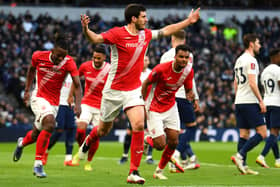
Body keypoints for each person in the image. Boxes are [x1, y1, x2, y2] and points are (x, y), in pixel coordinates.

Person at [77, 4, 200, 184]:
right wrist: (86, 29)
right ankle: (90, 138)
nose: (146, 19)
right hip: (113, 91)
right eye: (143, 16)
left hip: (133, 90)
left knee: (138, 125)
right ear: (134, 18)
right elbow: (96, 39)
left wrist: (188, 21)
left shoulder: (146, 34)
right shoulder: (117, 34)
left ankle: (133, 171)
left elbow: (167, 30)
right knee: (103, 130)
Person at [12, 33, 82, 178]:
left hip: (54, 103)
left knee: (36, 134)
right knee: (50, 124)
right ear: (53, 50)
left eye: (63, 56)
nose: (60, 59)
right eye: (58, 56)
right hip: (38, 97)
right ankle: (38, 164)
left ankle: (21, 143)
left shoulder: (69, 62)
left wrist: (78, 104)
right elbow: (31, 70)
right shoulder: (38, 56)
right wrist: (26, 90)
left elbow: (77, 84)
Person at [142, 44, 194, 180]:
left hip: (171, 106)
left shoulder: (188, 71)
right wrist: (143, 102)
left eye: (186, 57)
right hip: (154, 106)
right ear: (175, 57)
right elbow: (145, 83)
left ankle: (159, 171)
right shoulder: (161, 69)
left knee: (174, 142)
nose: (184, 60)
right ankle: (148, 139)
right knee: (160, 145)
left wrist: (191, 96)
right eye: (181, 57)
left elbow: (188, 89)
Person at [160, 30, 200, 172]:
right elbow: (190, 77)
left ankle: (182, 159)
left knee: (173, 131)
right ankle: (176, 154)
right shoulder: (189, 56)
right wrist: (195, 97)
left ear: (172, 38)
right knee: (191, 126)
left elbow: (160, 77)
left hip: (167, 97)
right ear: (184, 39)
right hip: (182, 95)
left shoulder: (165, 56)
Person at [231, 33, 267, 175]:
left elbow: (235, 82)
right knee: (262, 133)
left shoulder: (239, 60)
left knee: (244, 134)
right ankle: (240, 155)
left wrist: (237, 98)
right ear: (251, 44)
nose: (260, 45)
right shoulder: (251, 60)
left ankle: (243, 166)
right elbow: (252, 82)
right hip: (250, 101)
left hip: (240, 100)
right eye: (258, 43)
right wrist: (260, 100)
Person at [72, 45, 110, 171]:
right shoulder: (85, 66)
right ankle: (82, 149)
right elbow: (76, 80)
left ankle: (88, 162)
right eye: (94, 57)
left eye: (99, 58)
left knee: (96, 135)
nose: (96, 60)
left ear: (104, 57)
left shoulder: (110, 69)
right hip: (87, 103)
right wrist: (71, 96)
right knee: (80, 131)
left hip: (102, 107)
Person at [119, 55, 154, 165]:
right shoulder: (135, 72)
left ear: (149, 62)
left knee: (150, 132)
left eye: (147, 60)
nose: (145, 62)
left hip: (149, 106)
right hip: (135, 104)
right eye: (143, 60)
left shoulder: (152, 73)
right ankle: (125, 155)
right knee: (130, 131)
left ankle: (149, 156)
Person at [42, 74, 77, 167]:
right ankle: (44, 151)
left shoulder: (74, 75)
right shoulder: (58, 72)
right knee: (59, 129)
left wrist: (77, 104)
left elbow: (77, 89)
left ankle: (68, 159)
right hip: (59, 103)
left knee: (71, 129)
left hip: (70, 105)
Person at [256, 48, 280, 168]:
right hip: (277, 103)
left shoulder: (264, 71)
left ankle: (278, 159)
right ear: (275, 57)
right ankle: (262, 156)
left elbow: (264, 88)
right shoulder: (278, 70)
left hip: (267, 102)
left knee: (272, 132)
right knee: (275, 132)